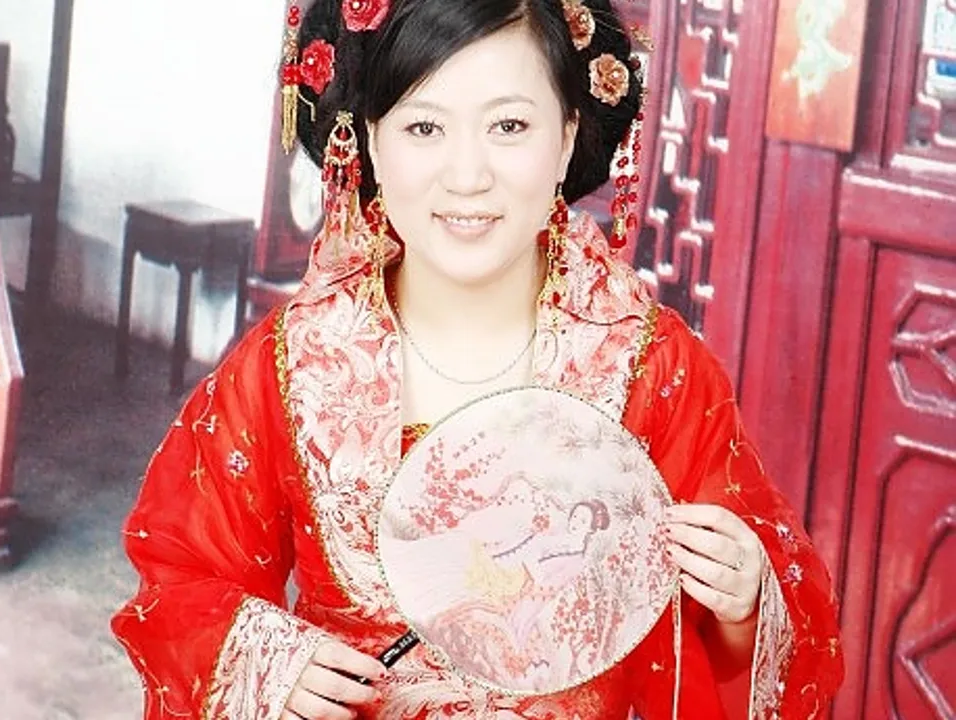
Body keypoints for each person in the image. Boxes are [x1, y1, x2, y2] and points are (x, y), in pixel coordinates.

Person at [111, 0, 845, 718]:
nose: (467, 176)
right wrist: (268, 662)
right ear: (370, 140)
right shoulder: (296, 361)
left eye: (509, 125)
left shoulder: (648, 365)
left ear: (567, 136)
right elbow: (183, 574)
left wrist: (744, 603)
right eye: (424, 126)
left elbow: (745, 633)